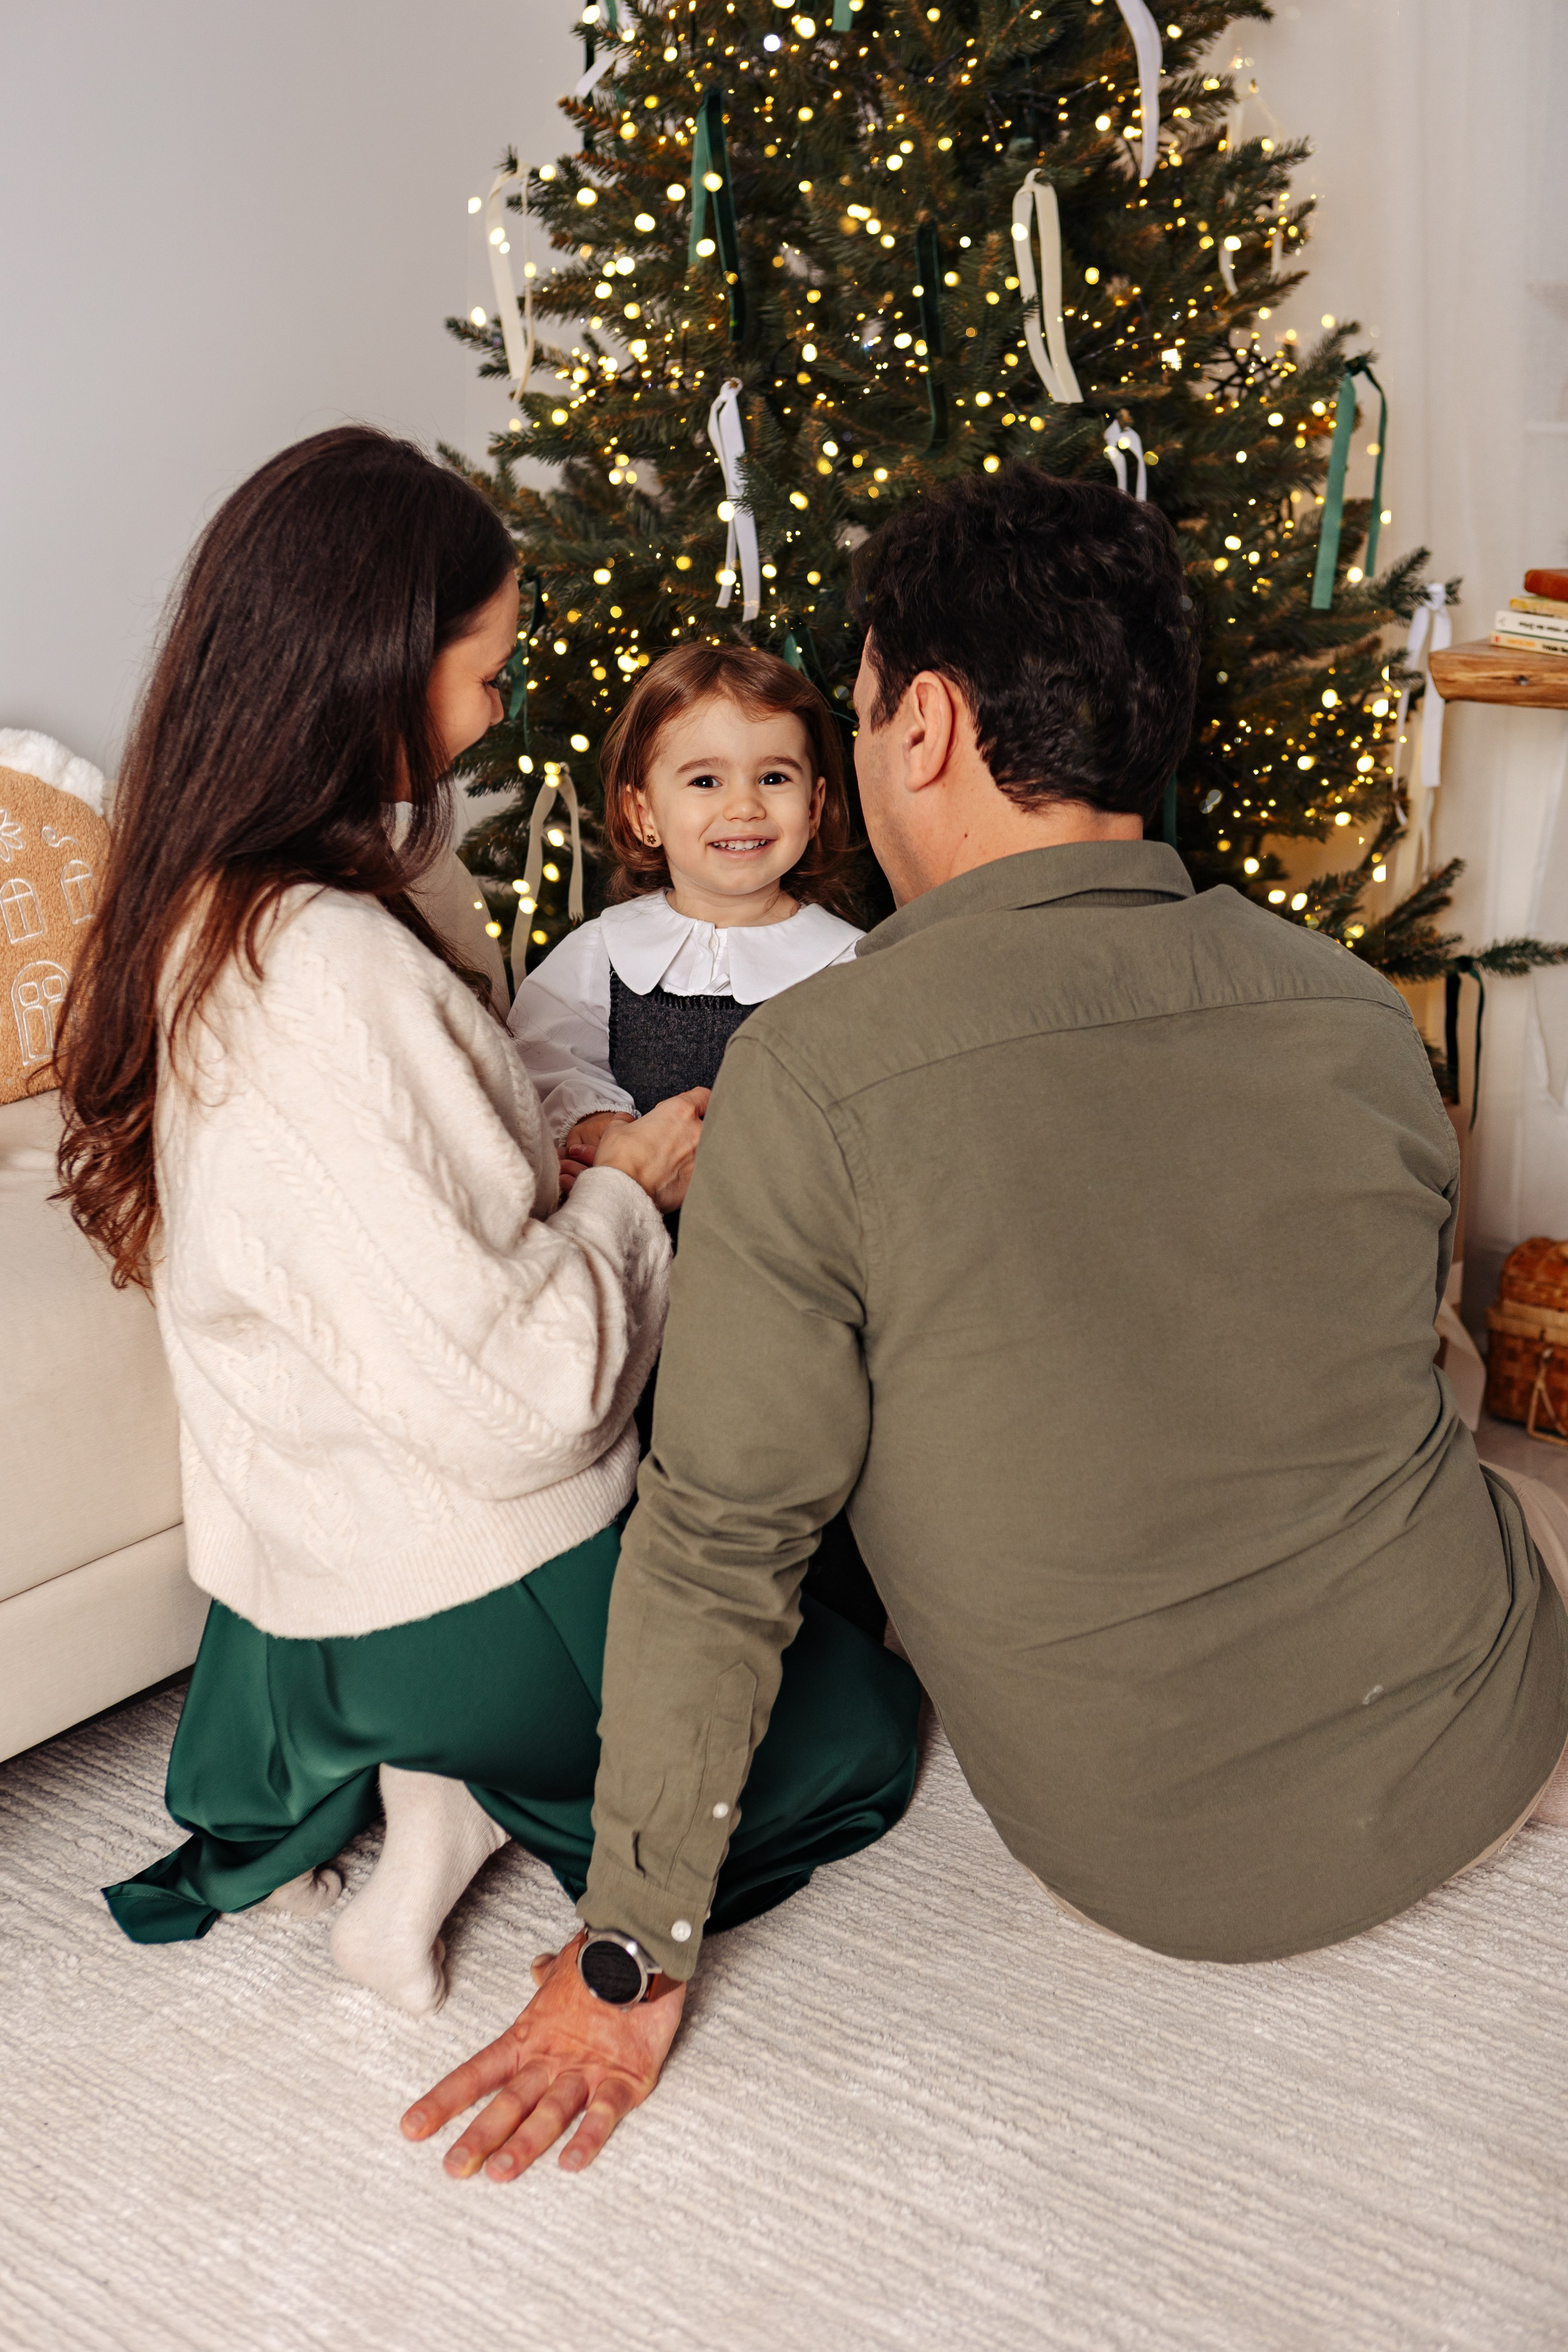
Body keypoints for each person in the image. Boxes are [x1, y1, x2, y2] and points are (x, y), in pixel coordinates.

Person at [404, 466, 1568, 2179]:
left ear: (927, 724)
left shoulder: (814, 1070)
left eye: (862, 708)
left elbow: (723, 1541)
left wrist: (628, 1947)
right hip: (1493, 1736)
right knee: (1467, 1427)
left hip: (1162, 1862)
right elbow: (1407, 1369)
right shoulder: (1351, 1007)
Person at [58, 424, 919, 2014]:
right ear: (377, 667)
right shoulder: (336, 967)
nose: (498, 709)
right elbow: (520, 1401)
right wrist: (627, 1188)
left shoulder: (212, 902)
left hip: (301, 1545)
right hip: (448, 1562)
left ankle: (390, 1776)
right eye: (486, 671)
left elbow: (407, 1210)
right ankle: (454, 1766)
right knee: (854, 1733)